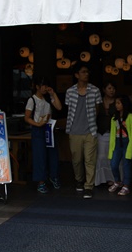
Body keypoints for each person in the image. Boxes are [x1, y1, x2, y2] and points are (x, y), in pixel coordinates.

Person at [64, 63, 102, 199]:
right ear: (77, 75)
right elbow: (69, 110)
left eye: (87, 72)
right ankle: (79, 180)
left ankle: (88, 186)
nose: (86, 74)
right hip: (74, 130)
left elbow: (97, 109)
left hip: (90, 130)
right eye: (83, 72)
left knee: (90, 160)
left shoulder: (95, 90)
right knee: (77, 160)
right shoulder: (70, 91)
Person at [24, 76, 62, 193]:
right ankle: (41, 181)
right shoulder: (32, 100)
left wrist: (53, 94)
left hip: (48, 128)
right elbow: (27, 117)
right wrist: (37, 124)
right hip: (38, 128)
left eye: (46, 85)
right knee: (39, 155)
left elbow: (59, 107)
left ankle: (53, 176)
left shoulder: (47, 99)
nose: (45, 88)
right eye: (43, 86)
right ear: (37, 87)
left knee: (52, 154)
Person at [108, 95, 132, 196]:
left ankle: (126, 185)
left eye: (119, 103)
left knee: (126, 165)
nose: (117, 105)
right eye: (116, 103)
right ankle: (117, 181)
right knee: (113, 164)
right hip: (117, 142)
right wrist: (111, 148)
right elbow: (112, 134)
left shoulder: (130, 117)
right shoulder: (114, 117)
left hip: (126, 142)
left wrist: (131, 147)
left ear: (124, 104)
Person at [95, 81, 117, 187]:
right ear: (104, 90)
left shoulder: (117, 102)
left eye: (113, 88)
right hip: (101, 132)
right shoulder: (99, 102)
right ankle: (102, 179)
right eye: (109, 88)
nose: (112, 90)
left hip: (114, 133)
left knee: (113, 157)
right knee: (101, 156)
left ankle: (113, 179)